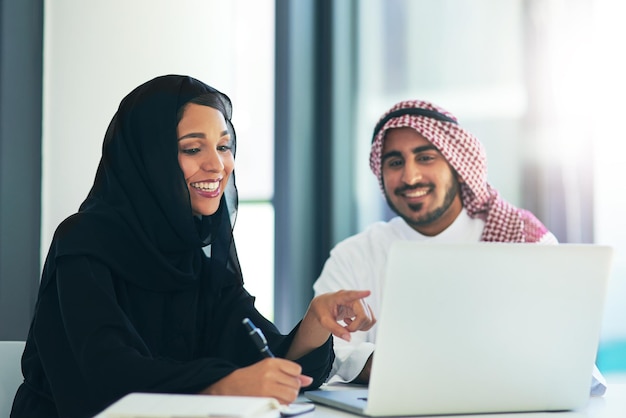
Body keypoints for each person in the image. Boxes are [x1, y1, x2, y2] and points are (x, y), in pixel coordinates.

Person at [10, 75, 375, 418]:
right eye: (192, 148)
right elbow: (104, 378)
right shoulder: (83, 241)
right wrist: (220, 385)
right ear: (150, 159)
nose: (217, 165)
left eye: (223, 146)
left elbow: (262, 357)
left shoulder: (196, 253)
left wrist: (315, 321)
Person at [313, 99, 607, 395]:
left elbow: (567, 354)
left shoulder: (522, 240)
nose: (410, 177)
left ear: (457, 163)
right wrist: (397, 368)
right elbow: (328, 353)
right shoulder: (354, 256)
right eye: (395, 162)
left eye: (425, 158)